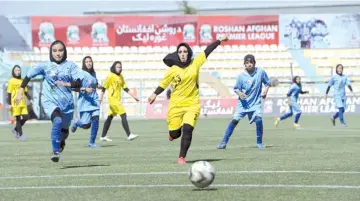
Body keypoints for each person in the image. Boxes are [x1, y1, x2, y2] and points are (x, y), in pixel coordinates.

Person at [148, 34, 229, 165]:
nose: (183, 54)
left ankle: (181, 157)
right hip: (176, 105)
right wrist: (154, 94)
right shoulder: (173, 70)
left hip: (192, 104)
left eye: (185, 51)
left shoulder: (195, 63)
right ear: (177, 54)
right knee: (174, 133)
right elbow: (163, 84)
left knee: (188, 129)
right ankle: (173, 134)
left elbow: (207, 50)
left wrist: (219, 40)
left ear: (189, 53)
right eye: (180, 52)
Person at [14, 40, 83, 163]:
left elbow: (79, 82)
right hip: (50, 101)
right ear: (51, 52)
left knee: (64, 131)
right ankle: (55, 151)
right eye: (54, 50)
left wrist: (68, 84)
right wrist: (20, 92)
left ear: (65, 51)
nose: (58, 53)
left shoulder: (71, 66)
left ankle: (61, 141)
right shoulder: (45, 66)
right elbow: (28, 76)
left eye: (60, 50)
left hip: (67, 104)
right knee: (57, 120)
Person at [217, 54, 271, 150]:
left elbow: (267, 83)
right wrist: (240, 93)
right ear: (244, 64)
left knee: (259, 120)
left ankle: (259, 143)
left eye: (251, 62)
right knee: (234, 121)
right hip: (243, 104)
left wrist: (265, 91)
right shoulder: (241, 77)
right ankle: (223, 143)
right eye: (247, 63)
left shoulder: (261, 72)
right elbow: (236, 89)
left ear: (254, 63)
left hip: (255, 103)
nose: (249, 64)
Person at [99, 61, 139, 141]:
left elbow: (125, 88)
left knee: (110, 117)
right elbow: (104, 88)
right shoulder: (110, 76)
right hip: (113, 100)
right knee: (123, 114)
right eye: (117, 67)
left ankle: (103, 136)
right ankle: (129, 135)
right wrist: (101, 98)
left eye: (120, 67)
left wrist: (134, 96)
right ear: (114, 67)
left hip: (117, 100)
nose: (119, 68)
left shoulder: (121, 77)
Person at [71, 56, 100, 148]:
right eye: (86, 62)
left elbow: (94, 84)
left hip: (94, 101)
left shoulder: (94, 73)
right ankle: (77, 123)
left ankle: (92, 142)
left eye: (90, 61)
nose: (89, 63)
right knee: (86, 125)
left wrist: (99, 86)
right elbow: (73, 87)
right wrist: (84, 89)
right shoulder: (81, 74)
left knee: (96, 121)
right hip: (85, 103)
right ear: (84, 64)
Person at [7, 65, 33, 140]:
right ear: (13, 71)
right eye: (16, 70)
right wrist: (9, 104)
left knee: (26, 117)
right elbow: (9, 93)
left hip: (23, 102)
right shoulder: (11, 81)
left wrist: (30, 99)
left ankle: (15, 129)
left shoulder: (22, 80)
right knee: (18, 119)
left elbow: (25, 92)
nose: (18, 72)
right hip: (15, 102)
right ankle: (20, 135)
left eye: (19, 70)